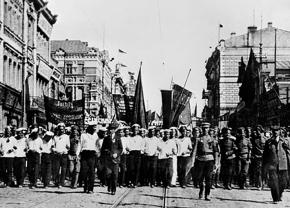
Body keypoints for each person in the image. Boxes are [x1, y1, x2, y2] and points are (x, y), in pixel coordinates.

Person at [263, 126, 289, 204]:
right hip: (272, 164)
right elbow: (265, 155)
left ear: (280, 131)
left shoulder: (285, 141)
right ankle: (275, 198)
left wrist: (286, 146)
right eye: (274, 130)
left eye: (277, 130)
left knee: (283, 183)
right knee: (273, 182)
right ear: (272, 131)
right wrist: (265, 165)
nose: (275, 132)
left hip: (283, 164)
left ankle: (279, 194)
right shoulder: (269, 142)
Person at [192, 122, 218, 201]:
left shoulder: (212, 139)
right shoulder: (198, 139)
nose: (205, 130)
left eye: (206, 128)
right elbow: (194, 151)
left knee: (208, 178)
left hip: (210, 160)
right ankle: (201, 190)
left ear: (209, 129)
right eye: (203, 128)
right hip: (200, 160)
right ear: (202, 129)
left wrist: (216, 163)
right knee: (200, 177)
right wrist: (192, 162)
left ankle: (207, 194)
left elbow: (216, 151)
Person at [102, 122, 123, 195]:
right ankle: (109, 186)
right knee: (108, 174)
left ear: (115, 130)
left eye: (113, 129)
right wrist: (108, 153)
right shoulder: (106, 138)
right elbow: (103, 149)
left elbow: (120, 148)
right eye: (110, 129)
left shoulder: (118, 138)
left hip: (116, 159)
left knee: (115, 175)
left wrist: (116, 154)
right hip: (108, 159)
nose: (112, 130)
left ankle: (113, 189)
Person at [80, 121, 99, 193]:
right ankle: (85, 187)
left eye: (95, 127)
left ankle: (91, 188)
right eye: (93, 127)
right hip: (84, 153)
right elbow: (80, 144)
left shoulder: (96, 135)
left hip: (92, 154)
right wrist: (77, 154)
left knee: (92, 172)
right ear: (89, 127)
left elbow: (97, 145)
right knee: (84, 172)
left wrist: (97, 152)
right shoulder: (83, 135)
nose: (94, 129)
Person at [52, 123, 70, 188]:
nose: (61, 131)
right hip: (57, 154)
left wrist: (64, 151)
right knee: (56, 169)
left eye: (62, 129)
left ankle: (62, 182)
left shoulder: (67, 137)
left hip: (64, 154)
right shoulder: (55, 137)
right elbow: (52, 146)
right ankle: (56, 182)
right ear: (58, 129)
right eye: (60, 129)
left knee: (63, 169)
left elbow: (68, 147)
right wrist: (55, 151)